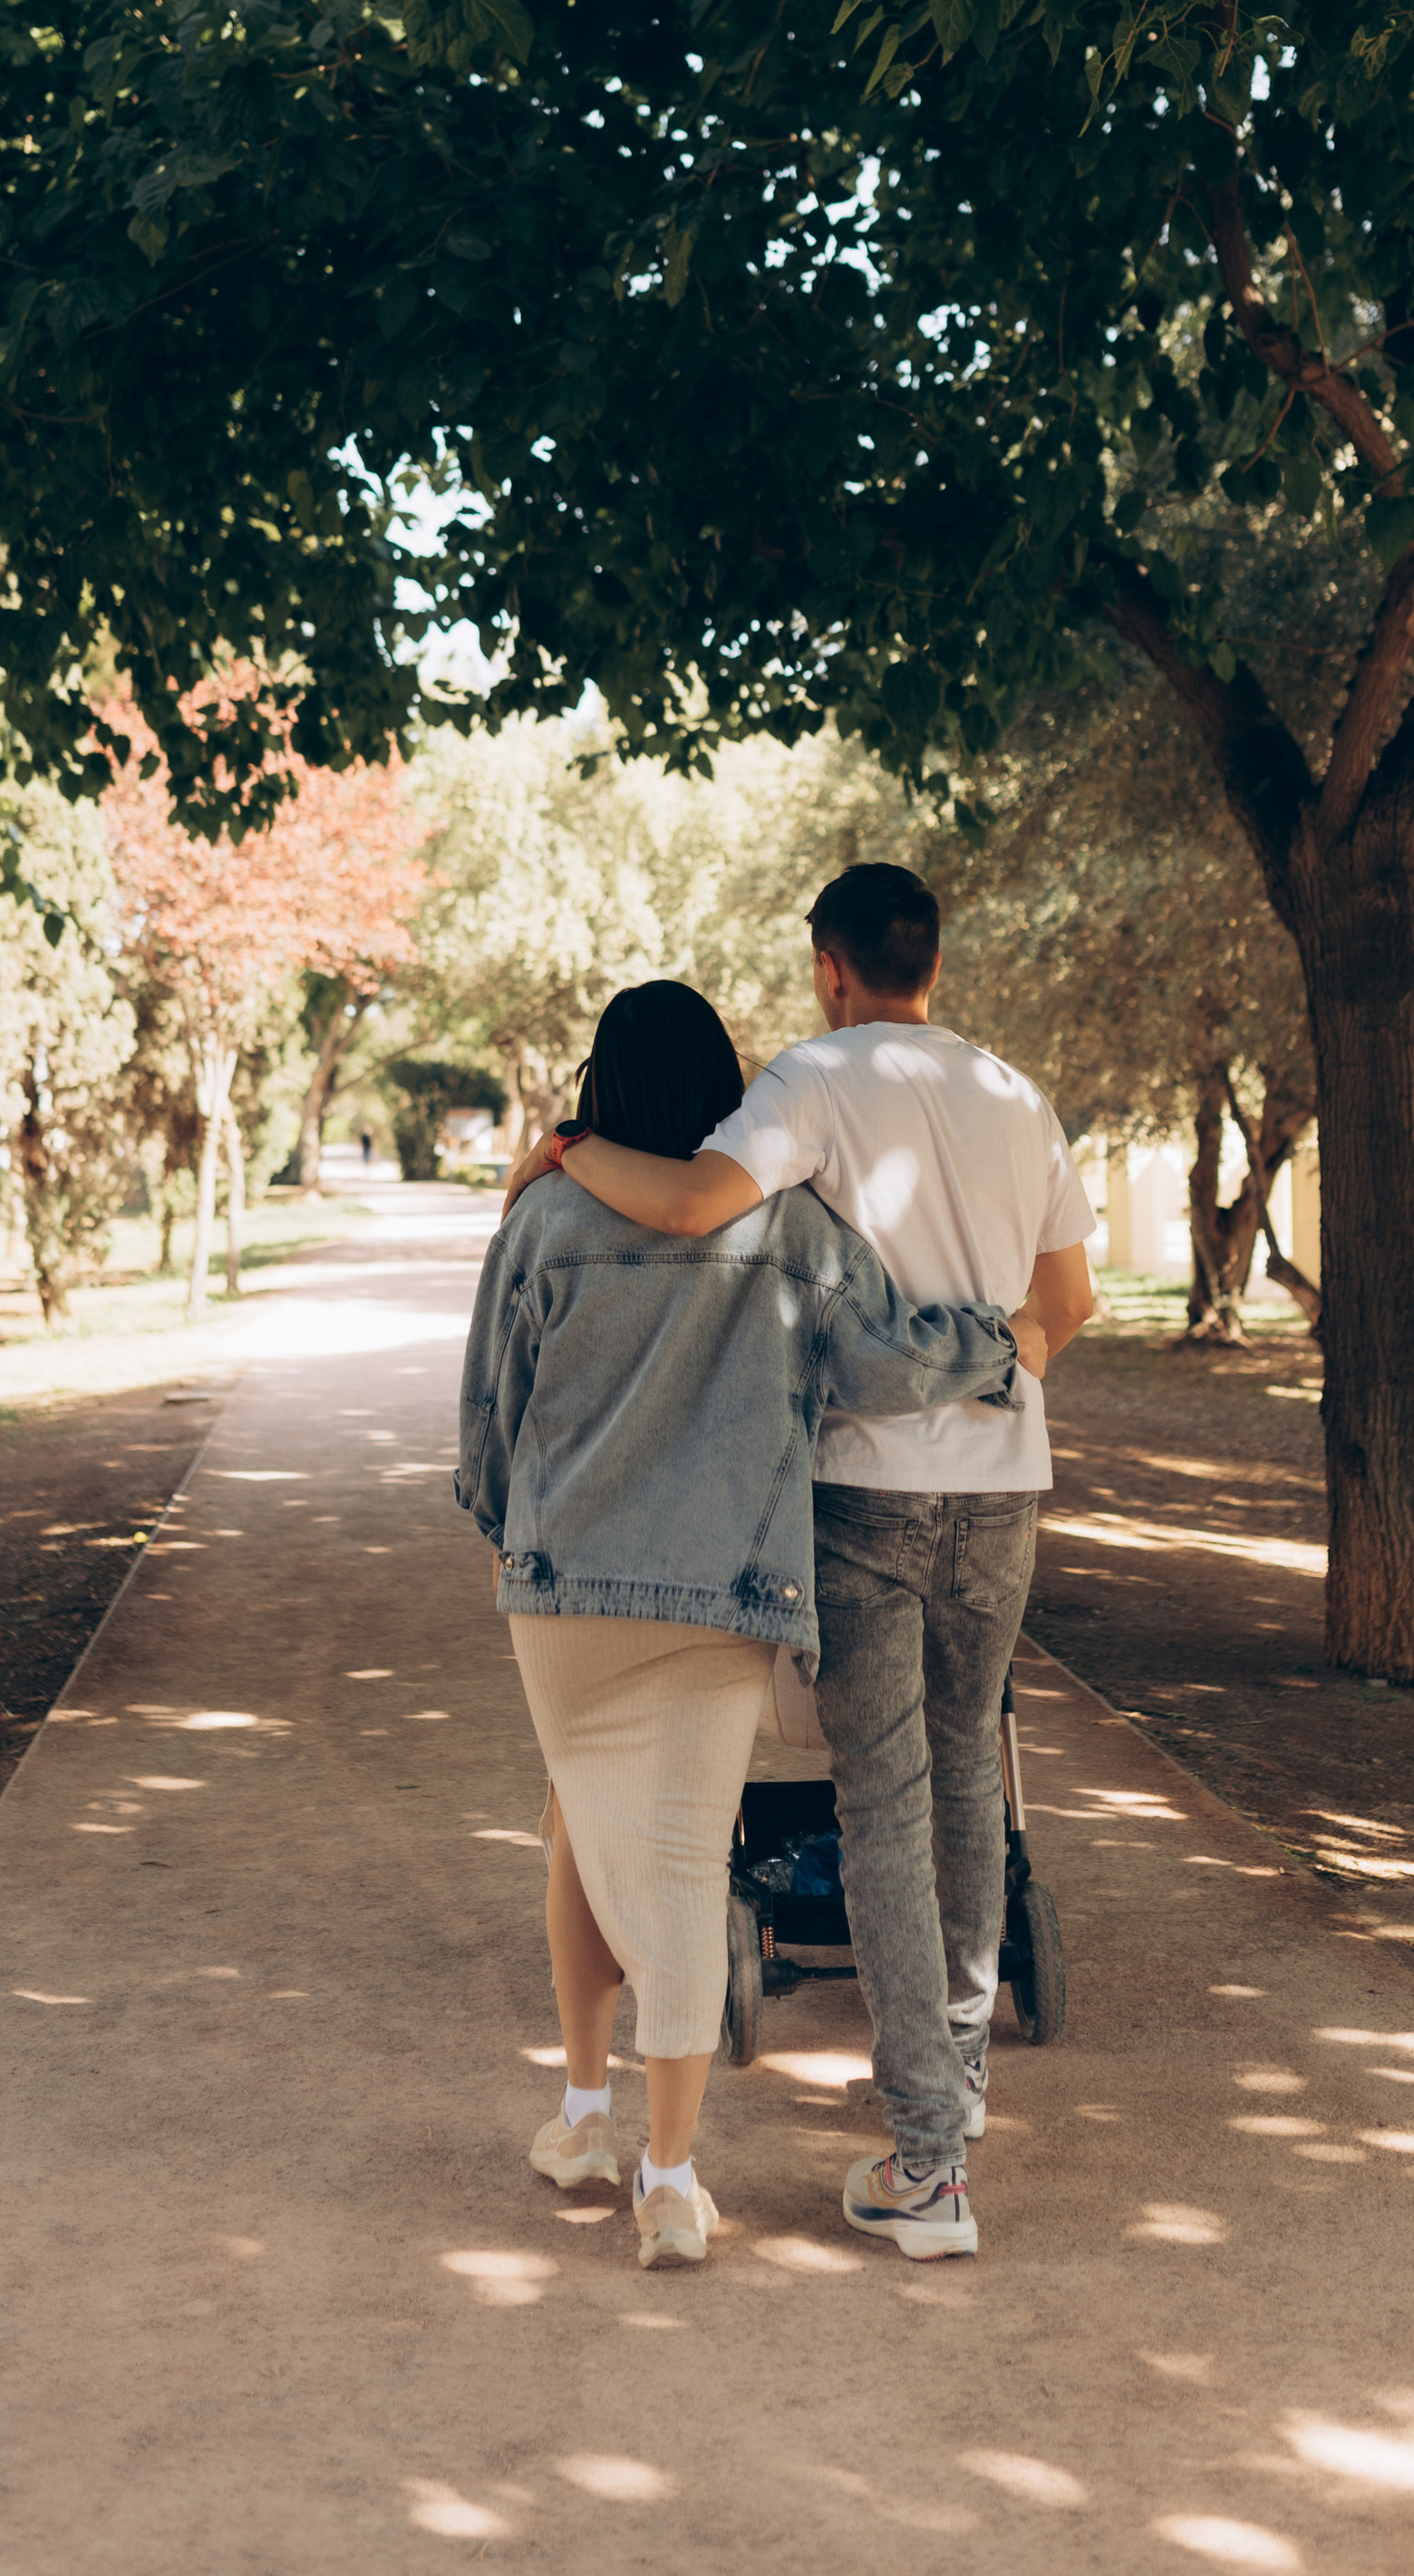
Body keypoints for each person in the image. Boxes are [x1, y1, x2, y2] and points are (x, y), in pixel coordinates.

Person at [507, 865, 1095, 2261]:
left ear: (831, 967)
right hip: (1005, 1492)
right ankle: (957, 2085)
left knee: (883, 1802)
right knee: (971, 1778)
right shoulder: (1021, 1098)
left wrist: (570, 1148)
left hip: (865, 1498)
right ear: (931, 962)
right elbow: (1064, 1303)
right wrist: (995, 1377)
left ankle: (930, 2163)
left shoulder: (815, 1079)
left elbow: (702, 1204)